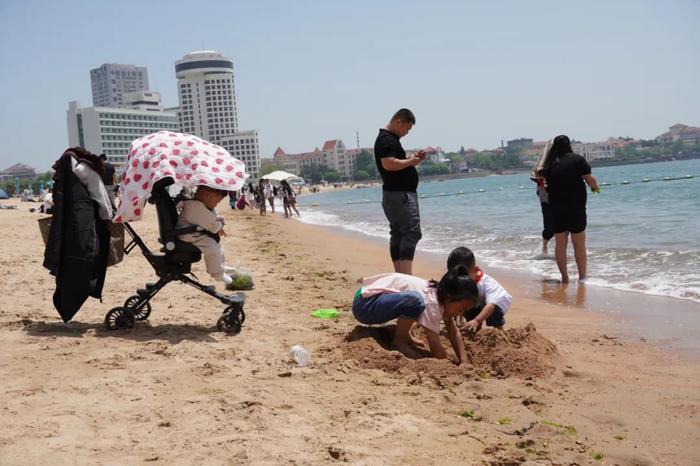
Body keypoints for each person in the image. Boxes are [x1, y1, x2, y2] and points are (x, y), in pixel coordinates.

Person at [352, 266, 478, 362]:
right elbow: (434, 345)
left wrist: (463, 361)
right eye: (460, 309)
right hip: (364, 306)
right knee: (415, 300)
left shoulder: (438, 292)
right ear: (449, 297)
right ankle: (399, 341)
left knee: (414, 301)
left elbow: (454, 331)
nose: (460, 313)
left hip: (365, 294)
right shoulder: (433, 303)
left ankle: (404, 334)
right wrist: (446, 363)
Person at [374, 108, 427, 275]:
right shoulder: (386, 139)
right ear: (399, 122)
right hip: (400, 194)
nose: (407, 133)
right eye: (407, 128)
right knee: (411, 233)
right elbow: (388, 164)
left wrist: (411, 160)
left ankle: (400, 275)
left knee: (398, 234)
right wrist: (410, 162)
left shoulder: (388, 139)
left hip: (393, 194)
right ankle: (406, 276)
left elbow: (394, 162)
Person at [542, 135, 599, 283]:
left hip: (555, 209)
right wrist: (595, 187)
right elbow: (590, 180)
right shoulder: (577, 159)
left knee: (560, 244)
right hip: (576, 208)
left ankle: (565, 277)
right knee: (579, 244)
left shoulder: (548, 165)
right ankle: (582, 277)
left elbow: (545, 185)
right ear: (569, 145)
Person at [447, 247, 513, 332]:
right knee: (467, 305)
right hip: (480, 300)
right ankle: (473, 328)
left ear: (475, 270)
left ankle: (499, 330)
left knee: (493, 313)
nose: (460, 279)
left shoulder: (486, 284)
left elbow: (490, 306)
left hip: (499, 301)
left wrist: (477, 320)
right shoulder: (465, 280)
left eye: (464, 276)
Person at [176, 186, 232, 285]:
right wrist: (220, 226)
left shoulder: (198, 205)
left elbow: (209, 218)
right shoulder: (195, 207)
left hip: (194, 233)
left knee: (217, 245)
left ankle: (221, 266)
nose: (216, 205)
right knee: (212, 248)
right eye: (217, 202)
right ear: (206, 195)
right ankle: (217, 274)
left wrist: (218, 220)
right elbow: (213, 226)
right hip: (188, 235)